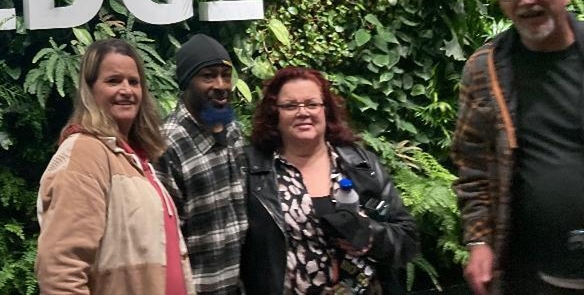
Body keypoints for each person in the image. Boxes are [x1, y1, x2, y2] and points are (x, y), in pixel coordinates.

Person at [452, 0, 584, 294]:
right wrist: (478, 242)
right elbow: (473, 165)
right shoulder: (486, 69)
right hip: (532, 271)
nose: (526, 1)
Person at [36, 37, 194, 294]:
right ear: (90, 90)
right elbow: (60, 270)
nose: (126, 90)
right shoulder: (85, 153)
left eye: (134, 81)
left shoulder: (134, 157)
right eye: (113, 81)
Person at [241, 67, 418, 295]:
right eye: (290, 106)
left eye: (312, 104)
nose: (303, 112)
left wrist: (370, 235)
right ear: (275, 113)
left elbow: (407, 238)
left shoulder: (361, 165)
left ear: (326, 110)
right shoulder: (254, 171)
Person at [155, 33, 247, 294]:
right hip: (198, 287)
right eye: (208, 76)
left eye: (226, 75)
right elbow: (164, 236)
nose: (221, 85)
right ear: (187, 82)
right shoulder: (168, 145)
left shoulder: (233, 130)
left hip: (239, 284)